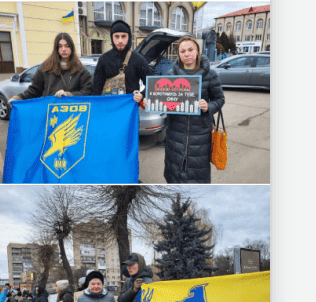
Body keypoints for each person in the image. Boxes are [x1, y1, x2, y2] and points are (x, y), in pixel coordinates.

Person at [162, 36, 225, 184]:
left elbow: (220, 99)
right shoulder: (171, 75)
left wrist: (207, 107)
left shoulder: (210, 75)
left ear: (197, 51)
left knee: (197, 175)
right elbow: (165, 101)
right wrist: (152, 102)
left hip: (200, 135)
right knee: (174, 173)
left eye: (190, 49)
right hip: (175, 134)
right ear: (178, 54)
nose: (187, 54)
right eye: (182, 51)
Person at [9, 32, 93, 105]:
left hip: (73, 114)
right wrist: (17, 98)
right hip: (51, 114)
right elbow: (34, 90)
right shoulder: (45, 68)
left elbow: (88, 92)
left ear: (72, 48)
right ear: (56, 49)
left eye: (67, 46)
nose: (63, 49)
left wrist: (69, 94)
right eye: (60, 46)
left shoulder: (80, 69)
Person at [91, 20, 152, 102]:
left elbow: (152, 84)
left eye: (123, 36)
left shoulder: (137, 59)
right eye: (116, 36)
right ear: (112, 37)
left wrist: (142, 95)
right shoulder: (103, 59)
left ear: (128, 37)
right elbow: (96, 89)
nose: (120, 40)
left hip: (130, 109)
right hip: (109, 109)